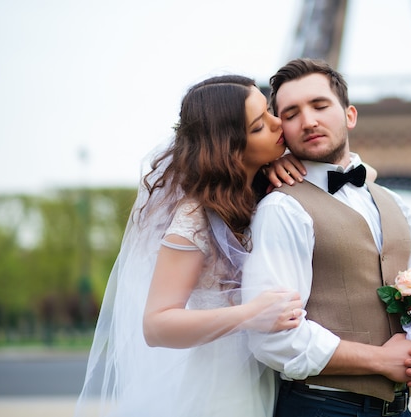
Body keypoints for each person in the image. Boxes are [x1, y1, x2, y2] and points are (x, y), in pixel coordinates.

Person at [74, 75, 304, 417]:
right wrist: (250, 314)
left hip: (279, 378)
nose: (277, 123)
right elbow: (156, 325)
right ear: (230, 148)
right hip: (223, 389)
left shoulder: (265, 190)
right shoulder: (194, 218)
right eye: (259, 126)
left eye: (269, 111)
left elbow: (365, 175)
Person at [241, 58, 411, 417]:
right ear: (281, 130)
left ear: (349, 115)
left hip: (398, 409)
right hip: (322, 407)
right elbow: (271, 338)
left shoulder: (395, 204)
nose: (309, 121)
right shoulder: (282, 210)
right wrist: (381, 360)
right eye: (291, 113)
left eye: (320, 105)